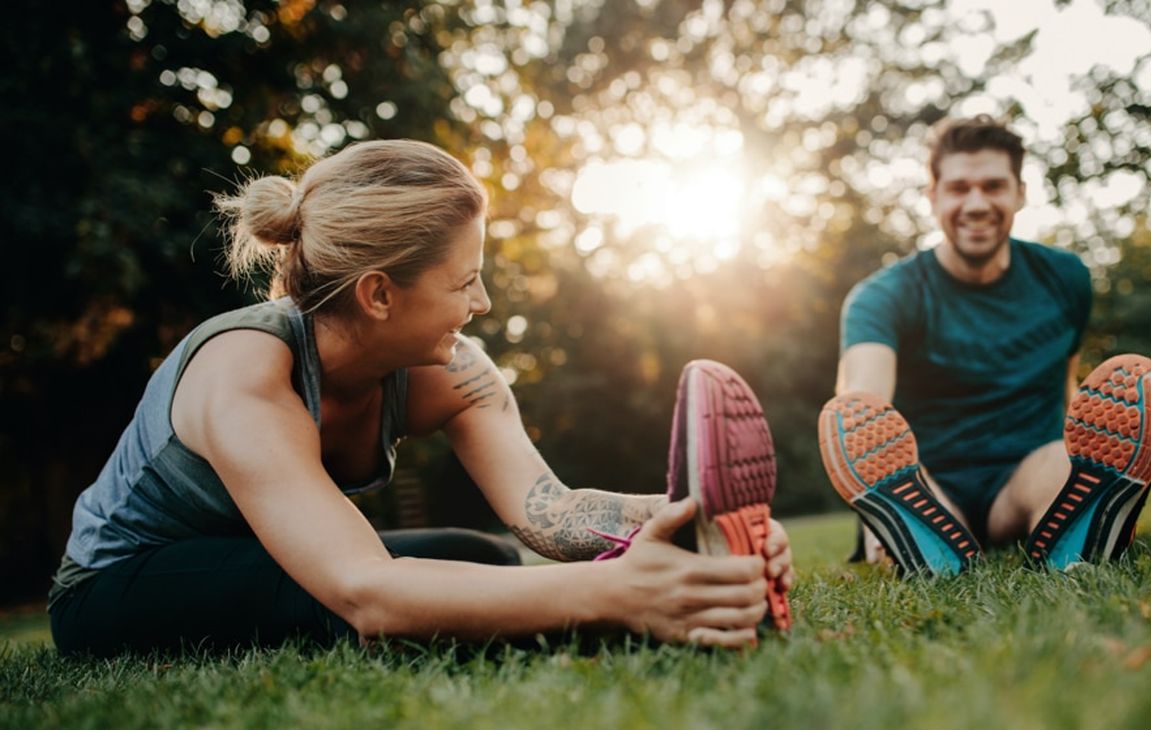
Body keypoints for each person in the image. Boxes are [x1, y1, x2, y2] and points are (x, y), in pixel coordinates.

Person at [49, 140, 794, 657]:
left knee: (485, 561)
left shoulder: (450, 370)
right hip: (123, 583)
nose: (484, 299)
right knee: (354, 604)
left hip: (259, 559)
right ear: (379, 293)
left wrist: (692, 524)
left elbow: (552, 514)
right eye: (463, 280)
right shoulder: (247, 372)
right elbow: (368, 591)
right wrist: (619, 596)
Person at [817, 115, 1151, 575]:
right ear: (934, 197)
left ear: (1020, 192)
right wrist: (866, 497)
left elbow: (1065, 383)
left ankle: (1083, 523)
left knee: (1064, 468)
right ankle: (902, 526)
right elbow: (862, 406)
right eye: (959, 188)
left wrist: (1083, 449)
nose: (977, 203)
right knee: (909, 487)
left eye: (993, 186)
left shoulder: (1065, 278)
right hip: (929, 480)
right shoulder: (883, 296)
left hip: (1025, 475)